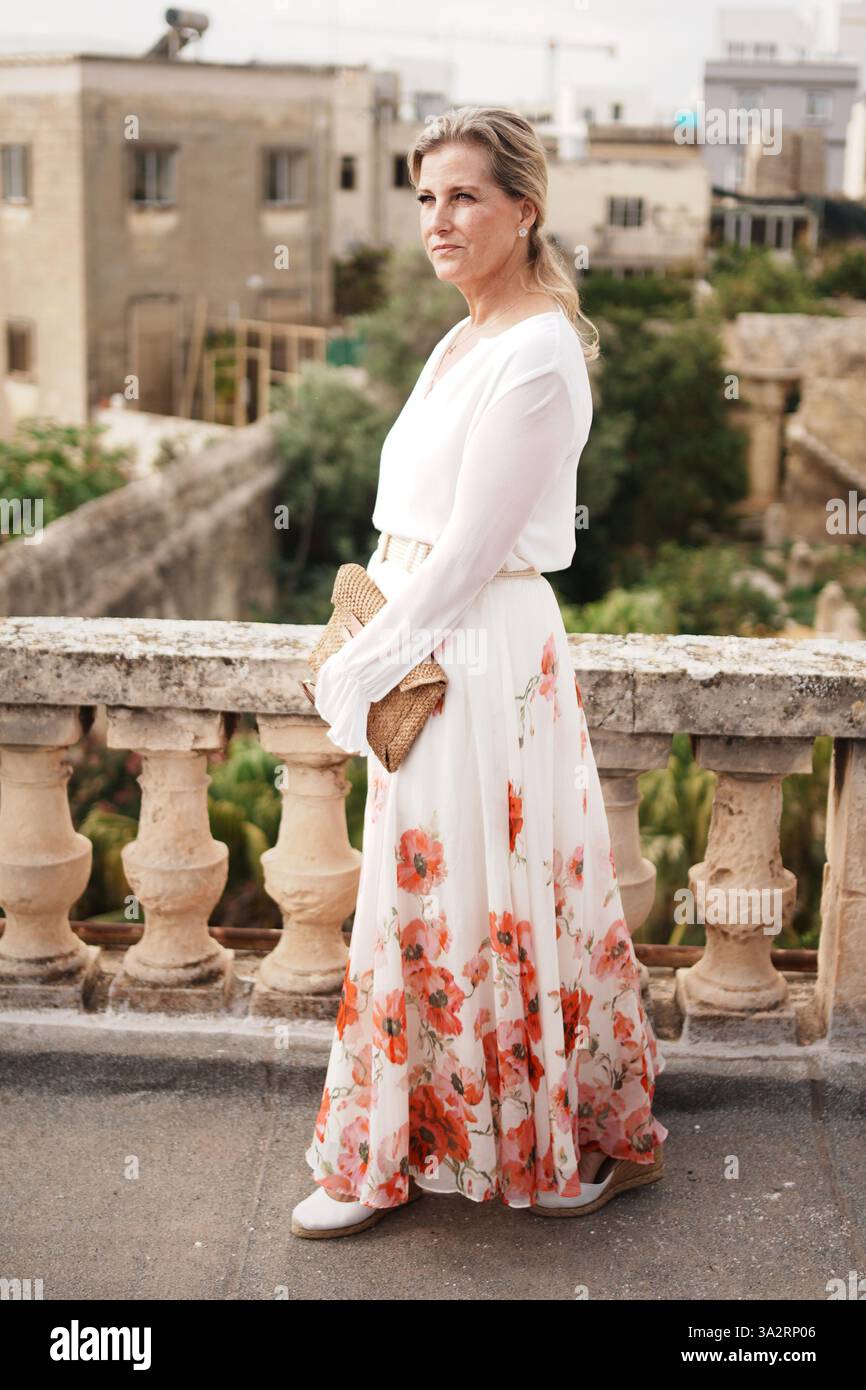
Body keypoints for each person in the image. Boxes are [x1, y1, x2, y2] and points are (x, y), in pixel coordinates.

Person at [291, 106, 668, 1239]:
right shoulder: (459, 336)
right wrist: (373, 645)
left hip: (474, 648)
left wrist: (363, 665)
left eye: (461, 196)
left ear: (523, 209)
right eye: (423, 198)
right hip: (425, 637)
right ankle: (395, 1143)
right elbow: (418, 532)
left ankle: (544, 1149)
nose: (436, 220)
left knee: (490, 896)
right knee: (418, 897)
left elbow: (467, 550)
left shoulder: (538, 351)